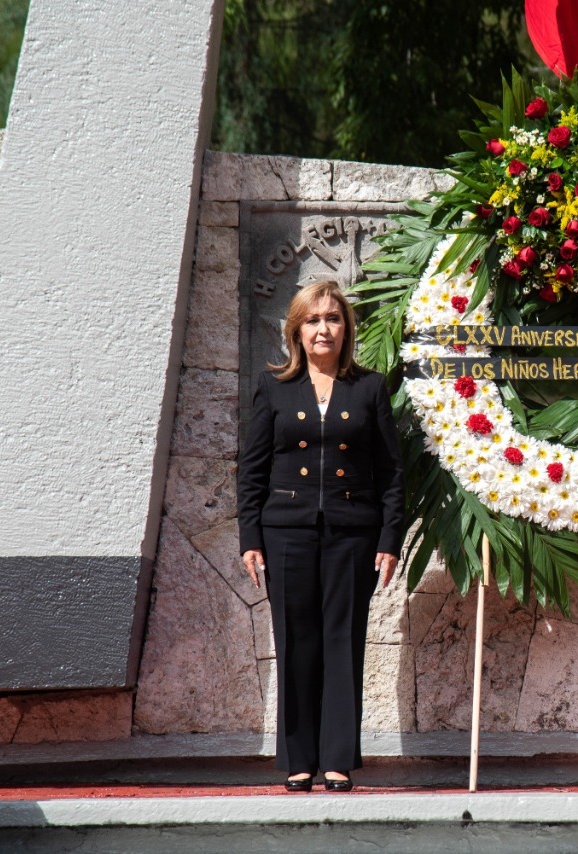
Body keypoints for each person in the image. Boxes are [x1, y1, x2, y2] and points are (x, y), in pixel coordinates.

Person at [237, 279, 405, 793]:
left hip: (352, 534)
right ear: (296, 331)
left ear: (346, 329)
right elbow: (252, 468)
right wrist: (250, 536)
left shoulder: (370, 388)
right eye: (313, 319)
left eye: (332, 318)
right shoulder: (274, 388)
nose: (323, 328)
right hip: (285, 532)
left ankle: (336, 759)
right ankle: (297, 757)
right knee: (295, 643)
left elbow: (392, 474)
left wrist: (389, 539)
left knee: (342, 641)